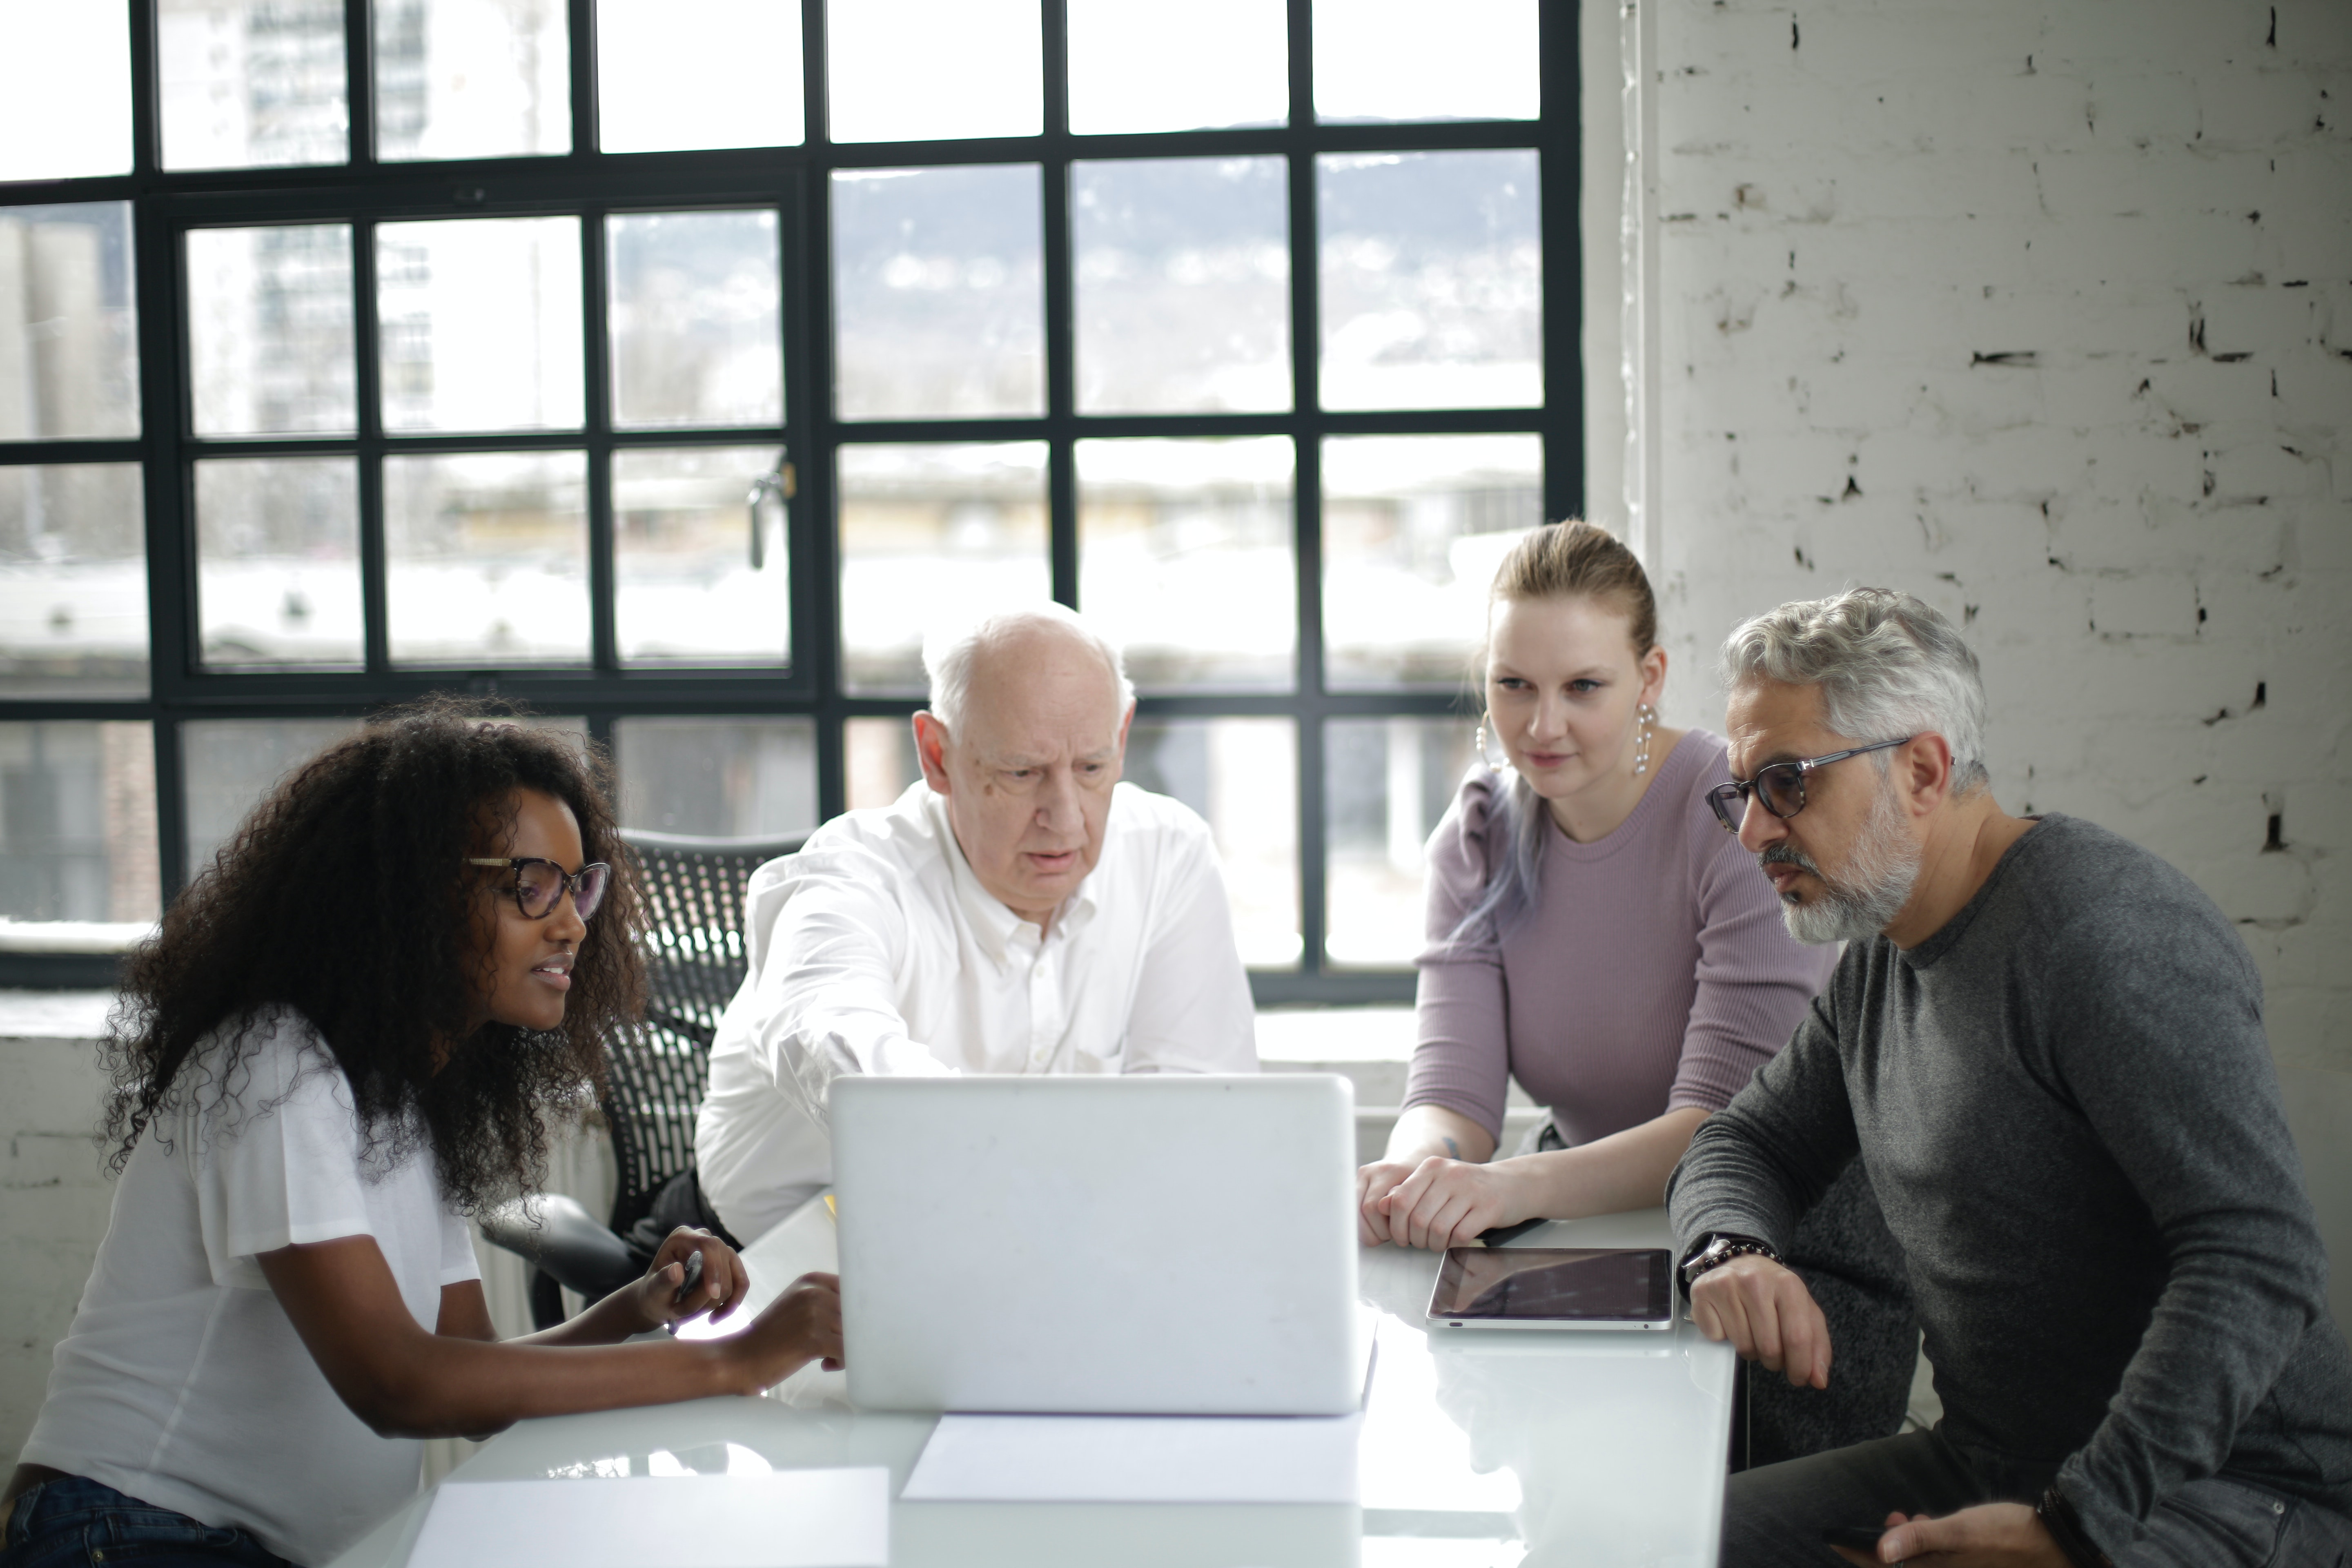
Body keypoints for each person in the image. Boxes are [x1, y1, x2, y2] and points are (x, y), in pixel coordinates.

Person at [1, 702, 844, 1568]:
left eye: (577, 885)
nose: (572, 924)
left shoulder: (402, 1101)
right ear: (413, 891)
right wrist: (736, 1361)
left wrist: (637, 1308)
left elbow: (471, 1380)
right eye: (532, 886)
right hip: (124, 1530)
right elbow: (399, 1384)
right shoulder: (275, 1066)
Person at [1670, 588, 2352, 1568]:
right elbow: (1746, 1142)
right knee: (1669, 1539)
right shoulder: (1882, 953)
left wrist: (2075, 1525)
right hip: (1997, 1462)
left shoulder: (2107, 937)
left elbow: (2259, 1256)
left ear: (1921, 769)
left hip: (2229, 1492)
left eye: (1786, 783)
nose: (1752, 834)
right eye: (1740, 792)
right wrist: (1729, 1249)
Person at [1354, 521, 1917, 1463]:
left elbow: (1720, 1132)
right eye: (1513, 686)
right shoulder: (1482, 831)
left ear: (1649, 678)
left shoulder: (1731, 817)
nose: (1542, 726)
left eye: (1583, 687)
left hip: (1776, 1249)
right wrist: (1420, 1175)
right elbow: (1452, 1097)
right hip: (1590, 1235)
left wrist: (1490, 1191)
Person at [695, 604, 1258, 1246]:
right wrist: (1021, 1167)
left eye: (1093, 768)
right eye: (1022, 773)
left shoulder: (1167, 853)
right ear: (937, 755)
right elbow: (827, 1035)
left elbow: (1197, 1109)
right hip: (776, 1262)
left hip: (1031, 1247)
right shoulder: (849, 876)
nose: (1067, 820)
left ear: (1123, 737)